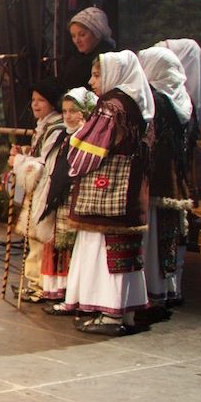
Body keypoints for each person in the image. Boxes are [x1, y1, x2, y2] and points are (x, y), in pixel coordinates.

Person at [57, 52, 154, 335]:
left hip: (108, 194)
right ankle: (126, 312)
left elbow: (88, 149)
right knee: (125, 251)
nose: (91, 81)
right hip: (130, 192)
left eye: (97, 75)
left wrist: (72, 158)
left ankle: (111, 314)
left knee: (104, 252)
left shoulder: (111, 107)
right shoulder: (137, 104)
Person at [137, 46, 194, 309]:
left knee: (154, 236)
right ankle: (170, 289)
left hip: (158, 176)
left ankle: (152, 291)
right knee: (169, 234)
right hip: (175, 178)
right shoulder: (183, 99)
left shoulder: (156, 101)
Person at [33, 88, 97, 301]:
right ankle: (54, 288)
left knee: (69, 243)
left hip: (75, 199)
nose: (68, 116)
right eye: (65, 111)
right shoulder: (63, 135)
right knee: (56, 242)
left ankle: (70, 291)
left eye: (73, 111)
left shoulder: (87, 138)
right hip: (58, 198)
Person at [8, 79, 68, 302]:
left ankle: (41, 286)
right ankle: (34, 282)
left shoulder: (56, 128)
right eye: (33, 100)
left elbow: (44, 164)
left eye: (41, 100)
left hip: (47, 191)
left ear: (52, 102)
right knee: (33, 240)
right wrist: (25, 153)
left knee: (41, 242)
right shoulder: (44, 126)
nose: (35, 104)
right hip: (38, 191)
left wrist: (18, 161)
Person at [60, 7, 118, 91]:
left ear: (96, 33)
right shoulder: (76, 57)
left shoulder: (105, 60)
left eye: (82, 35)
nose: (77, 40)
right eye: (73, 36)